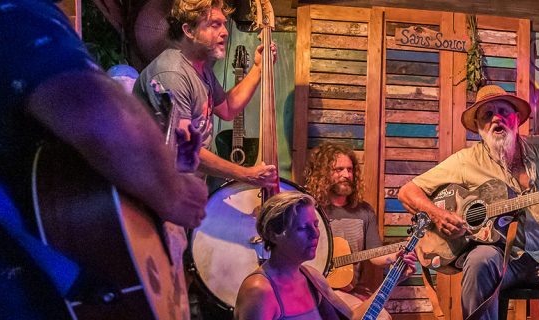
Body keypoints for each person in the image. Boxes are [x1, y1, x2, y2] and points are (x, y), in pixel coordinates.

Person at [0, 0, 207, 318]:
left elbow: (59, 167)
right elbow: (96, 115)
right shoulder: (13, 8)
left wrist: (165, 160)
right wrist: (174, 191)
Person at [397, 85, 539, 320]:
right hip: (499, 258)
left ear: (516, 119)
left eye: (504, 112)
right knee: (479, 261)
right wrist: (437, 214)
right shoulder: (466, 161)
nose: (497, 119)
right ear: (478, 127)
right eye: (487, 114)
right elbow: (408, 191)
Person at [133, 0, 277, 188]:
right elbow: (183, 148)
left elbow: (227, 108)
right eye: (215, 24)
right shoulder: (171, 74)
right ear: (189, 31)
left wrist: (259, 68)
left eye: (224, 24)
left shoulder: (201, 68)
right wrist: (246, 174)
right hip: (156, 191)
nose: (225, 32)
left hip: (184, 187)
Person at [304, 142, 416, 320]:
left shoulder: (364, 211)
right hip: (309, 288)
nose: (346, 175)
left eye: (350, 170)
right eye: (339, 169)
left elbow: (374, 254)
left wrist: (394, 257)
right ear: (323, 173)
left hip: (347, 290)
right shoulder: (310, 208)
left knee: (382, 317)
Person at [233, 192, 356, 320]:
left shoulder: (312, 276)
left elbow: (353, 317)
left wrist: (379, 290)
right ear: (273, 234)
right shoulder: (259, 291)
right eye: (303, 228)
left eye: (315, 225)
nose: (315, 234)